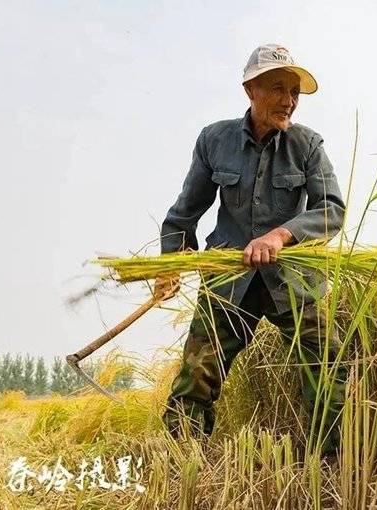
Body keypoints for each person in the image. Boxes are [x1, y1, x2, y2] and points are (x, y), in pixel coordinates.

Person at [154, 44, 346, 457]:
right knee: (196, 376)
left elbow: (331, 210)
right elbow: (185, 212)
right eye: (278, 88)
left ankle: (329, 465)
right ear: (250, 90)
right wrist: (169, 263)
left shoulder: (307, 145)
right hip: (229, 280)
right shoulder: (215, 140)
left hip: (293, 282)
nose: (288, 101)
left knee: (328, 368)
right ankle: (180, 463)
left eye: (294, 92)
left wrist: (279, 237)